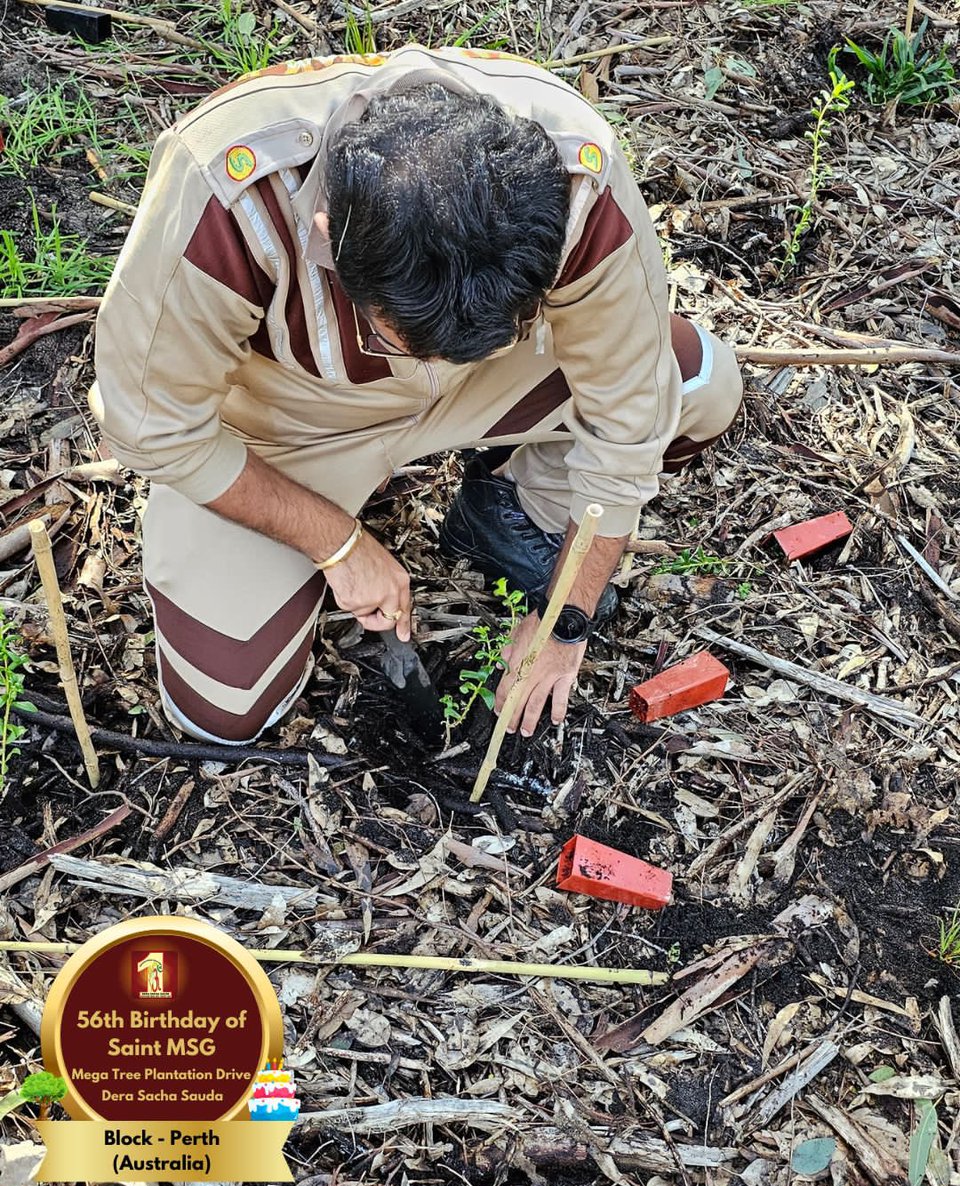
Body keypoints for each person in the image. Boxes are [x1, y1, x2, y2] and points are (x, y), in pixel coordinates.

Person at [89, 45, 743, 747]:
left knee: (701, 386)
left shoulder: (571, 177)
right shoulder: (230, 193)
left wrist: (566, 617)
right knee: (225, 708)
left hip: (486, 390)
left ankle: (508, 508)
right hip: (286, 427)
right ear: (328, 244)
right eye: (407, 339)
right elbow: (151, 427)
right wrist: (336, 543)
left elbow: (630, 409)